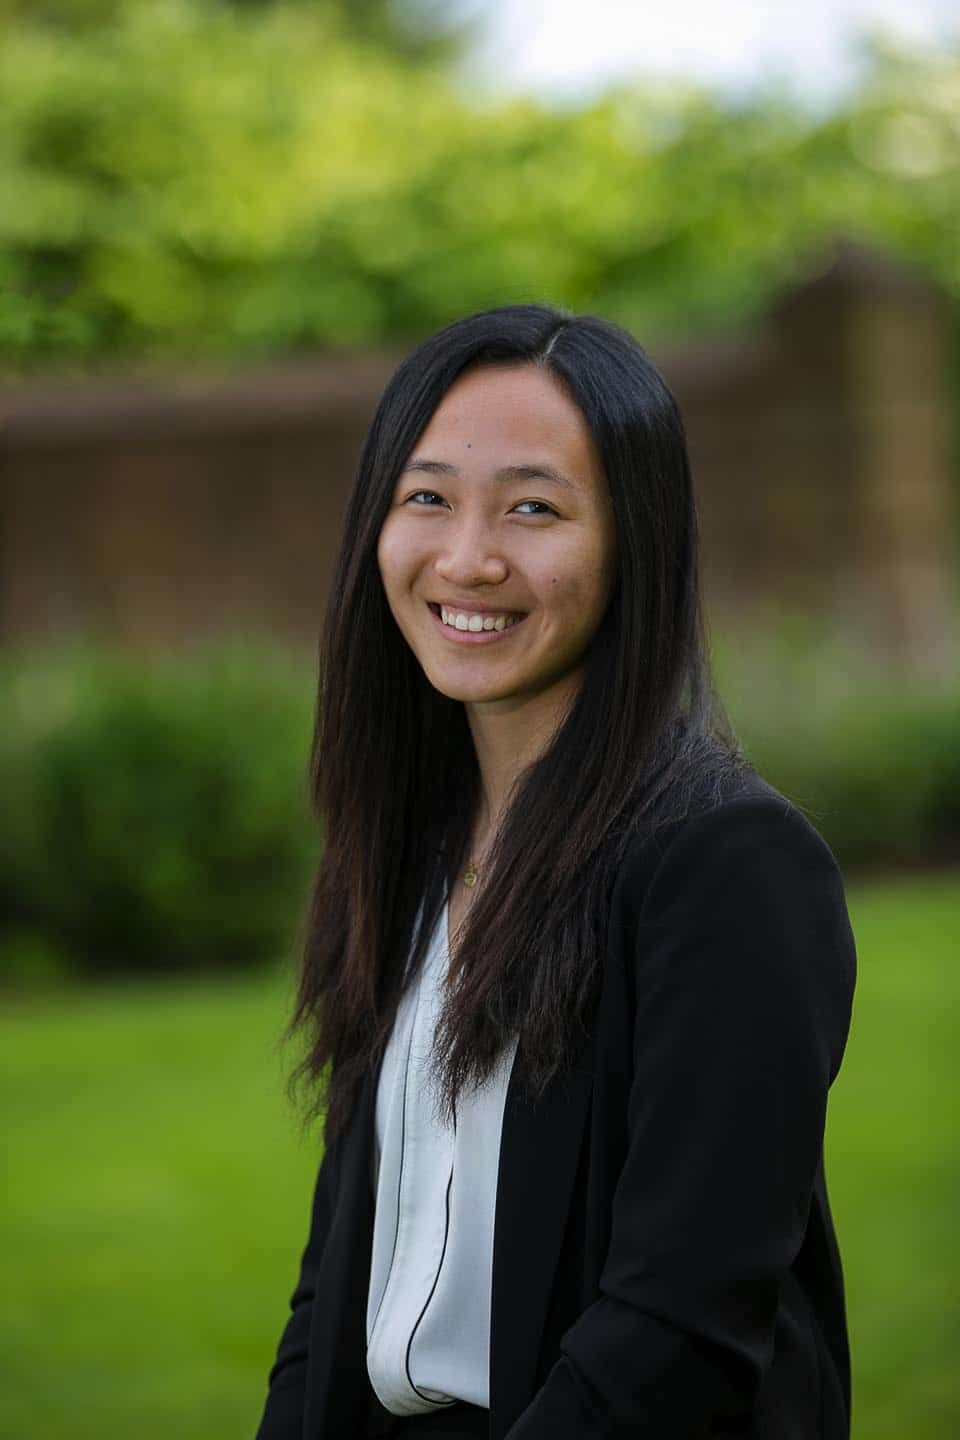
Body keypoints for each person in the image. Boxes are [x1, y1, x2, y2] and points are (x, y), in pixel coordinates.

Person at [254, 305, 857, 1440]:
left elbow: (678, 1329)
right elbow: (335, 1287)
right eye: (426, 497)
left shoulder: (728, 866)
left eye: (534, 508)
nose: (468, 557)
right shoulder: (409, 849)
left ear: (637, 539)